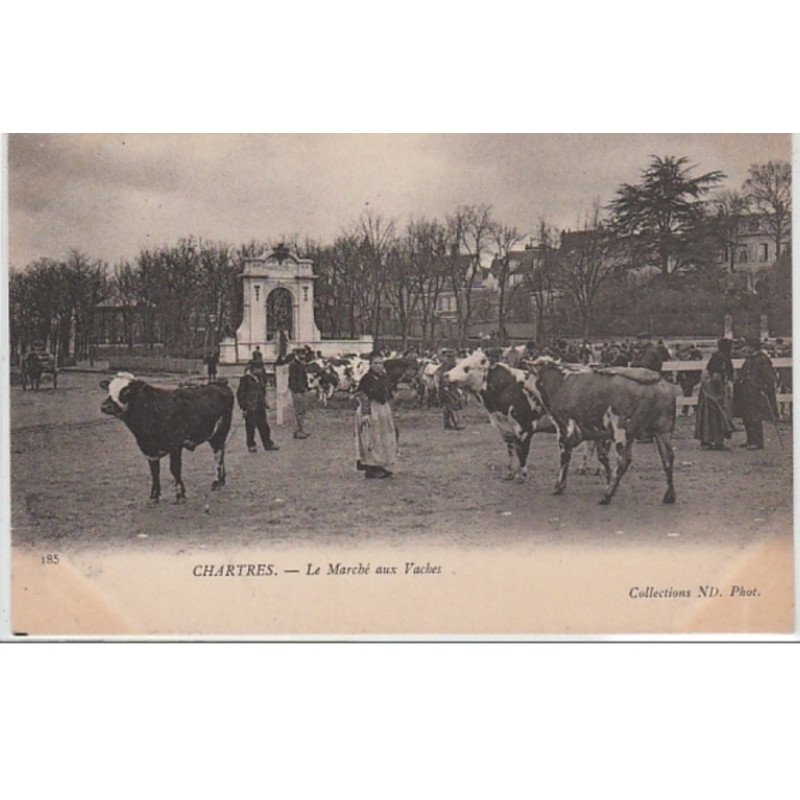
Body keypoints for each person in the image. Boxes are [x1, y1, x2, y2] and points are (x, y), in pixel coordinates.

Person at [355, 354, 398, 479]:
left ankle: (380, 465)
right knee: (371, 437)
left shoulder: (383, 378)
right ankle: (371, 467)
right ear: (371, 364)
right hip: (371, 409)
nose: (379, 366)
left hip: (382, 409)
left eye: (380, 363)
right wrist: (366, 413)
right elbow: (363, 395)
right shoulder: (366, 379)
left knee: (383, 437)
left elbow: (389, 393)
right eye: (376, 363)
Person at [736, 336, 778, 450]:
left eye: (747, 346)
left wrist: (763, 388)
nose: (745, 348)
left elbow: (769, 377)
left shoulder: (762, 359)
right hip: (746, 392)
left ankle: (758, 442)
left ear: (753, 347)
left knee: (755, 417)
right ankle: (750, 439)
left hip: (757, 393)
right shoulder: (749, 359)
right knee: (747, 416)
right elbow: (743, 372)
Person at [694, 339, 734, 451]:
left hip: (707, 389)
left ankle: (706, 440)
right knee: (717, 416)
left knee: (706, 415)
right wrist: (721, 390)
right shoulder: (722, 359)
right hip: (714, 391)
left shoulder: (716, 356)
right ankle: (717, 441)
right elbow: (717, 377)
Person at [237, 366, 279, 453]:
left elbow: (262, 391)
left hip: (260, 406)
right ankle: (251, 445)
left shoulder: (258, 377)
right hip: (250, 407)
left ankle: (268, 444)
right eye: (258, 368)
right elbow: (241, 394)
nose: (260, 370)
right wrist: (244, 408)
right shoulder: (245, 379)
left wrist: (264, 402)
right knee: (250, 427)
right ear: (253, 369)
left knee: (264, 426)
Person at [287, 349, 310, 439]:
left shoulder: (300, 364)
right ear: (298, 354)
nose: (303, 355)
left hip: (302, 389)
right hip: (297, 391)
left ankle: (301, 429)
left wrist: (306, 387)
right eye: (302, 353)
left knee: (302, 410)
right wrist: (296, 390)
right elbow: (292, 379)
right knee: (298, 411)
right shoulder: (294, 365)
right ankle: (297, 431)